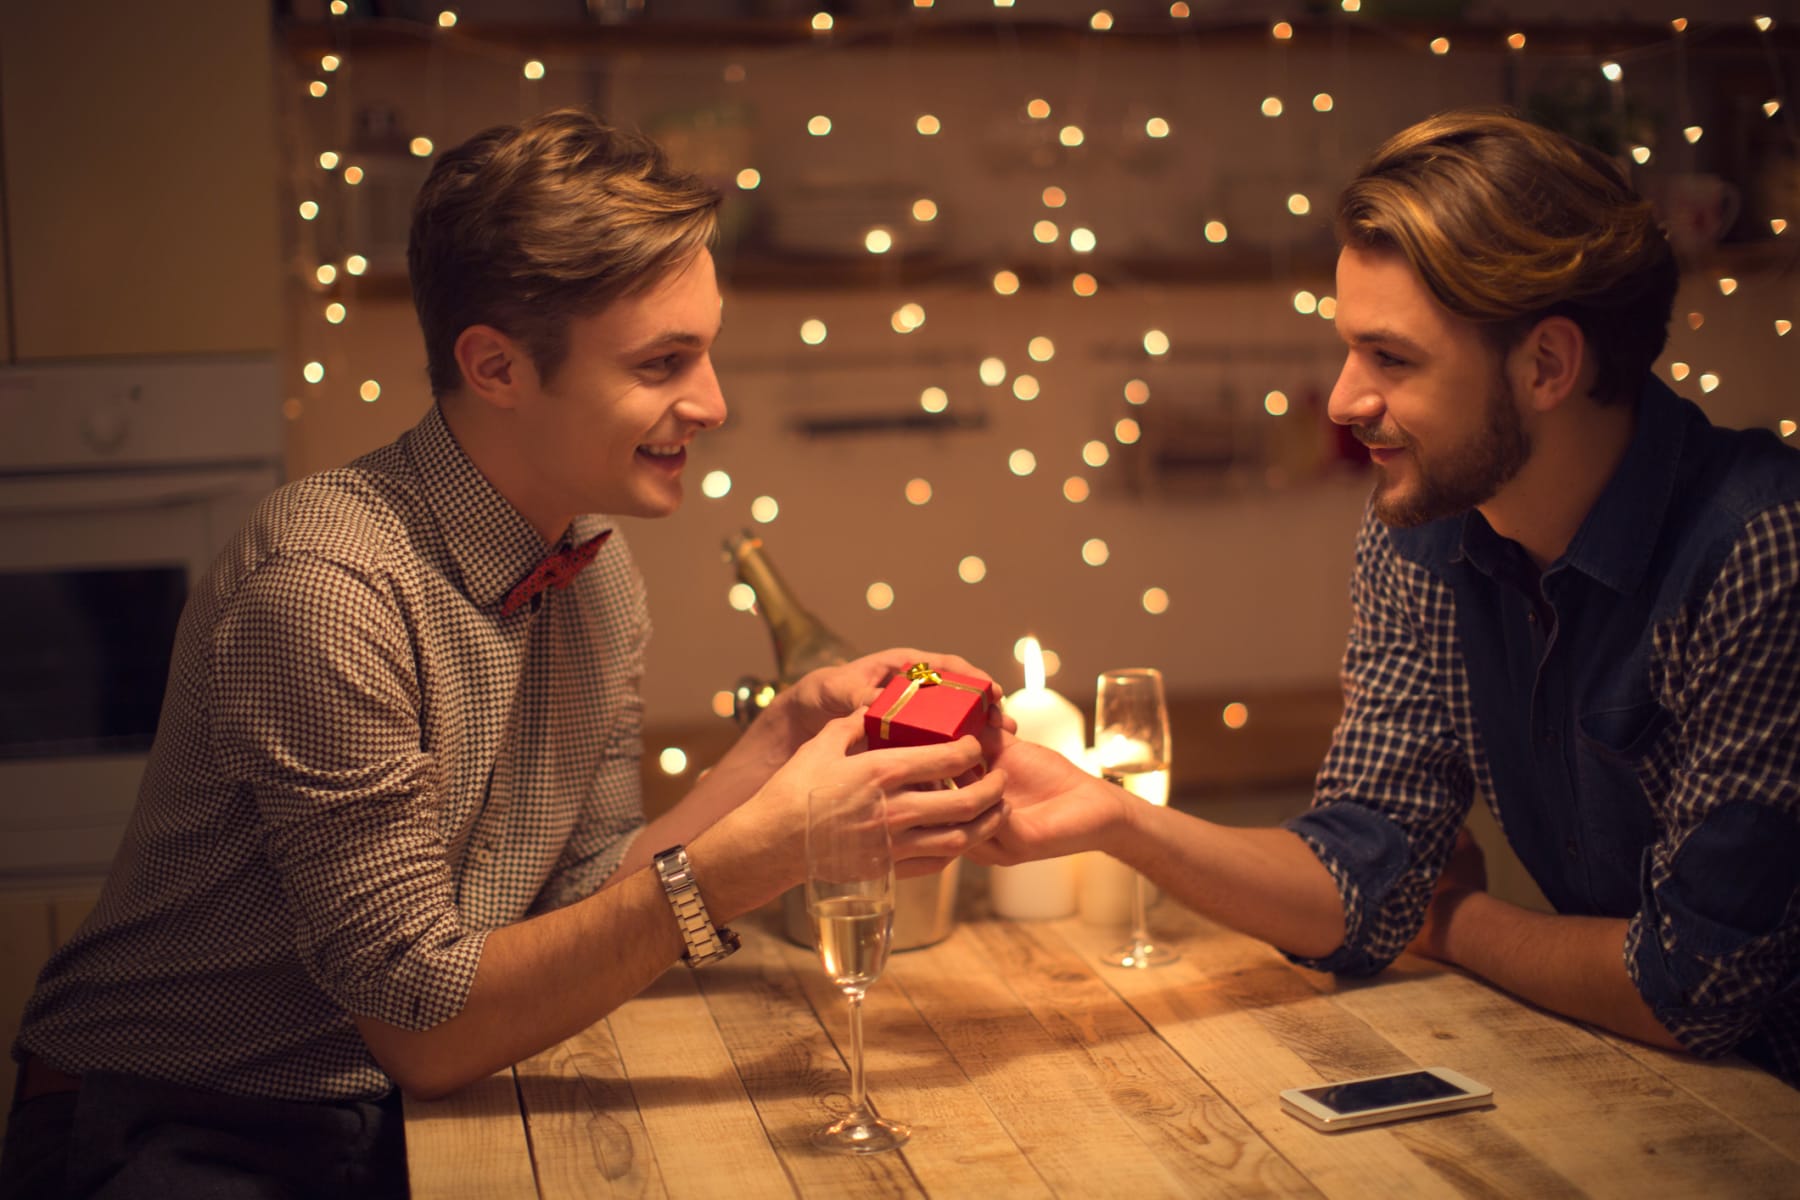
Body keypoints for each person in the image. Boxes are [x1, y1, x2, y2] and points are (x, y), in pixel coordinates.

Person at [0, 109, 1008, 1198]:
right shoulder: (324, 589)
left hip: (389, 1113)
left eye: (705, 351)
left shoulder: (594, 570)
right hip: (177, 1125)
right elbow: (422, 1025)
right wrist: (762, 855)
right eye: (664, 362)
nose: (712, 405)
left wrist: (774, 747)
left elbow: (577, 900)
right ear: (496, 367)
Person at [977, 108, 1800, 1086]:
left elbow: (1690, 990)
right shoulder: (1426, 531)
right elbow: (1361, 867)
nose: (1341, 400)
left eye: (1392, 360)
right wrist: (1115, 821)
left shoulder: (1761, 550)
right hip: (1650, 1096)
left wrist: (1450, 921)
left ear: (1547, 365)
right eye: (1348, 349)